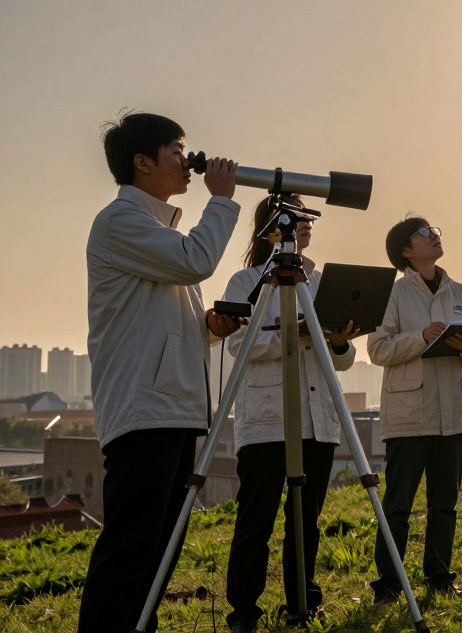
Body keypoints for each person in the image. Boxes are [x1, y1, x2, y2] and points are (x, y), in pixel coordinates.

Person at [80, 113, 241, 633]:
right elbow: (197, 260)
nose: (186, 160)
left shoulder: (157, 231)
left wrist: (211, 326)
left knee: (157, 556)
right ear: (142, 162)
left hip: (173, 408)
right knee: (131, 551)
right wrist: (221, 199)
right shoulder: (120, 222)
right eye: (175, 149)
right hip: (143, 410)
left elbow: (168, 321)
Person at [222, 196, 362, 632]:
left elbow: (341, 359)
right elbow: (237, 346)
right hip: (266, 420)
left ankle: (303, 602)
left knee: (306, 522)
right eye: (295, 218)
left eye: (308, 220)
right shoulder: (246, 281)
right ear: (272, 226)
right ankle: (244, 610)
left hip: (317, 419)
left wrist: (337, 340)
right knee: (256, 520)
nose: (304, 226)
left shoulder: (320, 282)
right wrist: (293, 330)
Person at [367, 217, 462, 602]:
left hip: (455, 413)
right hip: (410, 415)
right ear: (406, 251)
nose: (434, 235)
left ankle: (439, 577)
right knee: (398, 506)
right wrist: (420, 337)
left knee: (446, 505)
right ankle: (388, 585)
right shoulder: (393, 295)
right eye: (424, 233)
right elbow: (377, 348)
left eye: (434, 230)